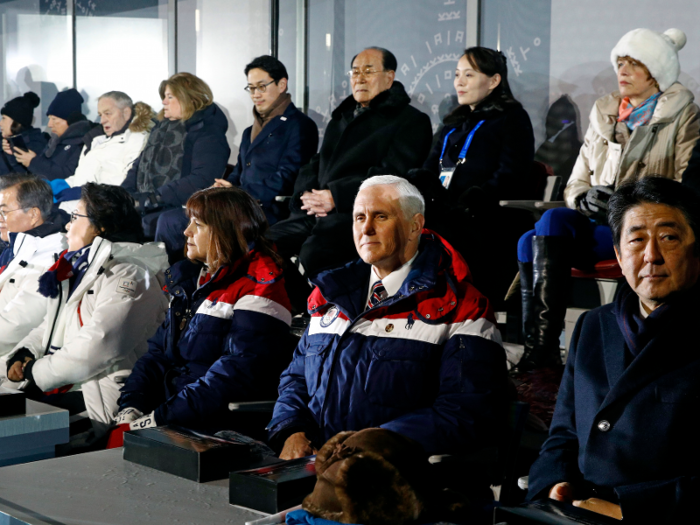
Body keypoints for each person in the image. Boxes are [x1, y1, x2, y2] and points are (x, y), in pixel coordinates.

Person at [268, 175, 509, 461]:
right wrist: (291, 431)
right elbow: (296, 379)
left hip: (397, 483)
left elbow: (465, 411)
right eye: (359, 217)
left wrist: (365, 448)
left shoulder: (464, 307)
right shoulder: (328, 295)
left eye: (380, 216)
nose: (366, 228)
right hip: (315, 474)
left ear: (415, 226)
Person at [515, 28, 700, 371]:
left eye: (634, 64)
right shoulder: (604, 113)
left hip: (638, 225)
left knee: (537, 234)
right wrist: (584, 198)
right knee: (537, 232)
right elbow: (576, 181)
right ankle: (539, 352)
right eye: (620, 63)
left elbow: (683, 189)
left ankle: (539, 357)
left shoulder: (684, 115)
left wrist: (624, 202)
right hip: (595, 222)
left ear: (656, 73)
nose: (623, 72)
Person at [527, 177, 700, 523]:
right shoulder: (595, 325)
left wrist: (626, 510)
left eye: (668, 238)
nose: (651, 256)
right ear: (619, 256)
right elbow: (564, 431)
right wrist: (554, 483)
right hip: (577, 510)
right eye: (636, 240)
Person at [115, 187, 292, 434]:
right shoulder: (190, 279)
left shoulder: (261, 286)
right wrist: (132, 404)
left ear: (225, 231)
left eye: (197, 225)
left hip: (212, 428)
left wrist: (159, 418)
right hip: (173, 412)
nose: (186, 232)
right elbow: (157, 353)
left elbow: (232, 377)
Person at [0, 183, 168, 430]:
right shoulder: (87, 269)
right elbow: (55, 322)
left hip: (99, 399)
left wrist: (38, 371)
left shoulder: (130, 275)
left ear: (102, 227)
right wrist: (27, 352)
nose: (67, 226)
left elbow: (100, 344)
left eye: (75, 217)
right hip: (67, 383)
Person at [266, 47, 433, 284]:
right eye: (354, 72)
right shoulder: (342, 118)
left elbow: (393, 176)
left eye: (368, 71)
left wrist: (337, 196)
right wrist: (306, 195)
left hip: (357, 214)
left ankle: (321, 313)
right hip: (315, 213)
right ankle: (290, 310)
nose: (359, 78)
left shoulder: (411, 121)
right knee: (261, 244)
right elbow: (317, 162)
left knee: (314, 255)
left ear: (389, 76)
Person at [154, 55, 318, 262]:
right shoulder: (250, 131)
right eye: (251, 88)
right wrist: (225, 187)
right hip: (241, 206)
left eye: (262, 87)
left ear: (282, 84)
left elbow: (287, 178)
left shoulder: (299, 125)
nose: (255, 94)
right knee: (175, 219)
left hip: (269, 210)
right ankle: (182, 282)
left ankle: (179, 282)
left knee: (173, 222)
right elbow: (239, 173)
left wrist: (238, 193)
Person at [417, 46, 536, 308]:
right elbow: (428, 169)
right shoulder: (453, 122)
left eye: (469, 75)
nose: (459, 82)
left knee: (438, 237)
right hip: (443, 212)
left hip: (486, 216)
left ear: (494, 80)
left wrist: (471, 201)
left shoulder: (512, 118)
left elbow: (511, 175)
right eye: (457, 74)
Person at [121, 72, 230, 238]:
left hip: (179, 208)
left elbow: (202, 179)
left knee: (156, 221)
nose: (163, 102)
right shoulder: (160, 129)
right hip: (148, 204)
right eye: (164, 96)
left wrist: (154, 198)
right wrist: (124, 195)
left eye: (170, 97)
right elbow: (139, 164)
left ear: (190, 98)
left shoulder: (209, 133)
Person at [0, 174, 68, 355]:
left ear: (33, 215)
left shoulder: (51, 260)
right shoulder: (14, 249)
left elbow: (14, 326)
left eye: (4, 212)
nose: (0, 219)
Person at [59, 91, 154, 189]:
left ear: (126, 113)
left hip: (102, 201)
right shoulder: (96, 139)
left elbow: (126, 180)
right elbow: (83, 176)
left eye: (108, 114)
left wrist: (85, 192)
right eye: (100, 115)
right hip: (80, 201)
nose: (102, 121)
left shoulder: (138, 140)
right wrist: (63, 184)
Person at [9, 88, 95, 181]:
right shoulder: (53, 141)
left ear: (70, 120)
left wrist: (33, 162)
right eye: (49, 119)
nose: (49, 124)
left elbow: (68, 176)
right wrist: (15, 156)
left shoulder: (83, 143)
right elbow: (34, 175)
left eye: (54, 119)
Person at [0, 92, 48, 175]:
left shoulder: (36, 144)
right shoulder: (4, 139)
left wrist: (10, 155)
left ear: (17, 122)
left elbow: (26, 179)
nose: (1, 123)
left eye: (4, 118)